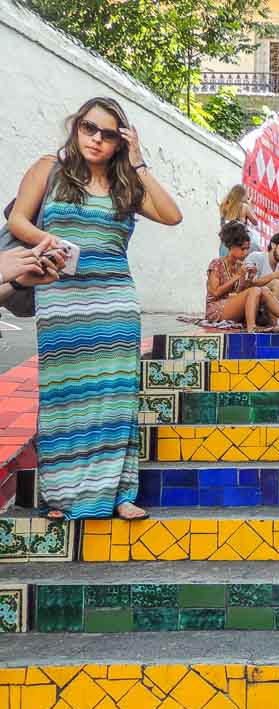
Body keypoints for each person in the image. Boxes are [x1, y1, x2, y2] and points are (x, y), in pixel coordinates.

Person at [7, 96, 183, 521]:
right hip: (61, 299)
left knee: (113, 398)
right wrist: (46, 242)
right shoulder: (48, 169)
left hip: (113, 302)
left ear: (120, 142)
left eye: (108, 134)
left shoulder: (126, 185)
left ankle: (118, 493)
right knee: (65, 395)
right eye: (90, 128)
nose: (97, 139)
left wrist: (139, 162)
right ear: (77, 126)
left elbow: (172, 215)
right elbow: (18, 222)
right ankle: (62, 497)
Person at [206, 221, 279, 333]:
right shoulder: (217, 264)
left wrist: (250, 278)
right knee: (256, 289)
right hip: (216, 311)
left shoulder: (241, 266)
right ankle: (252, 327)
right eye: (242, 249)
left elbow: (243, 292)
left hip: (233, 308)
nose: (245, 253)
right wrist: (238, 276)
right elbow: (215, 293)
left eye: (247, 249)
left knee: (263, 290)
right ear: (232, 246)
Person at [218, 184, 258, 256]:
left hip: (225, 243)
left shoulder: (223, 205)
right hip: (239, 243)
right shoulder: (244, 206)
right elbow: (255, 222)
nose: (247, 197)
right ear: (242, 196)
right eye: (246, 195)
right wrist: (250, 206)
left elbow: (222, 224)